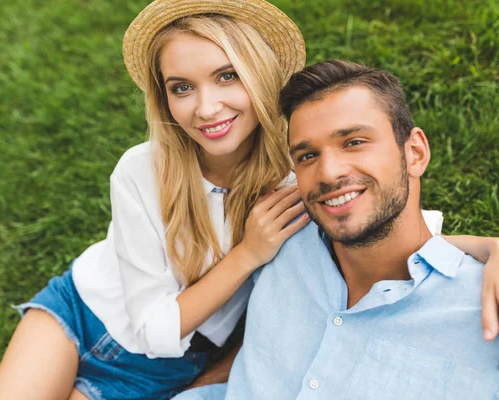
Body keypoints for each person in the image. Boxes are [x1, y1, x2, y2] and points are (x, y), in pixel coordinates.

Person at [0, 0, 499, 398]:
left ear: (257, 73)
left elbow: (384, 227)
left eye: (227, 76)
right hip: (85, 311)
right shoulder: (143, 169)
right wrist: (248, 253)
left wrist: (492, 247)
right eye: (181, 87)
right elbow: (152, 328)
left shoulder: (300, 175)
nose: (206, 108)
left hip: (178, 360)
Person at [173, 60, 499, 400]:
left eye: (354, 142)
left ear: (414, 153)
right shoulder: (279, 238)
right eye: (308, 155)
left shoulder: (482, 306)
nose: (328, 173)